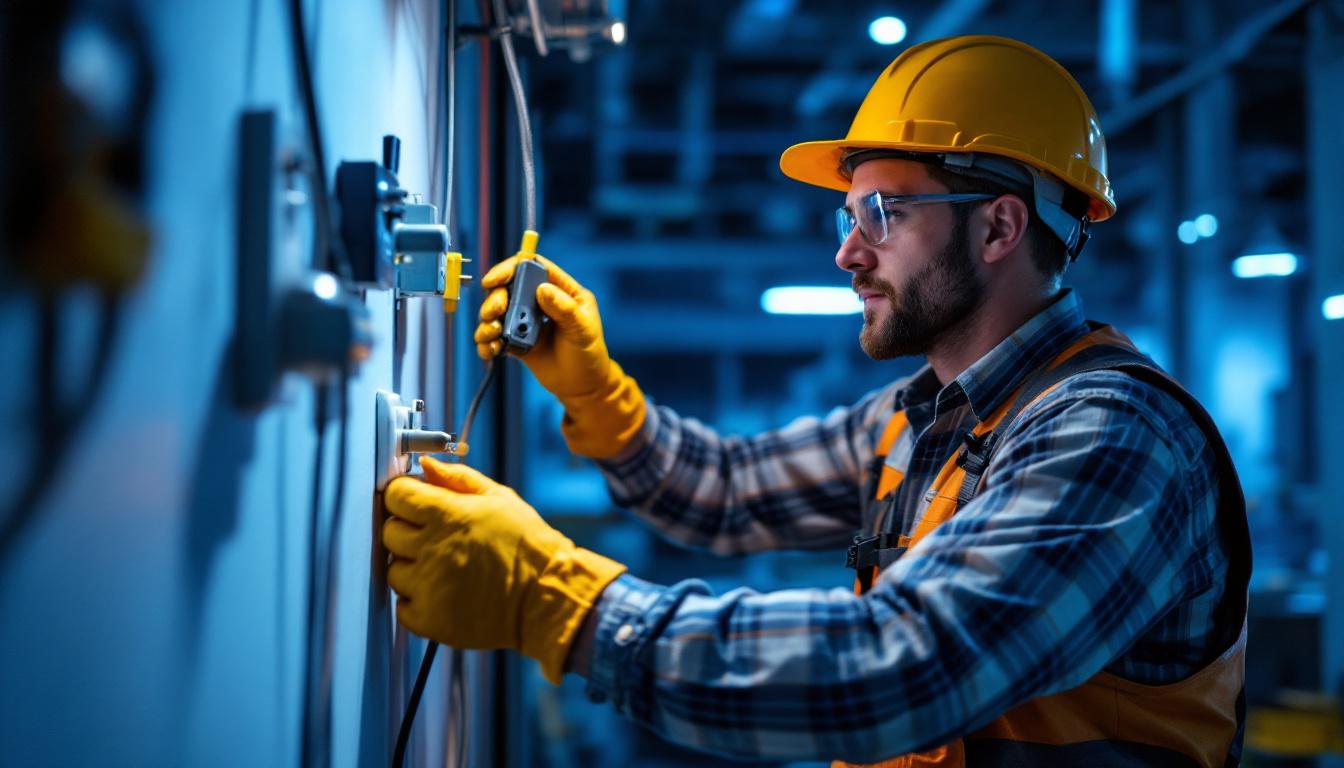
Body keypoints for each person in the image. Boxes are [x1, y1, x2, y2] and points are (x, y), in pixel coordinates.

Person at [380, 35, 1250, 767]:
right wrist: (600, 397)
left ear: (998, 227)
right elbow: (723, 492)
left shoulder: (1112, 435)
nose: (848, 255)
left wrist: (557, 601)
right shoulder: (922, 419)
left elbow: (905, 670)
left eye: (881, 214)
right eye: (847, 218)